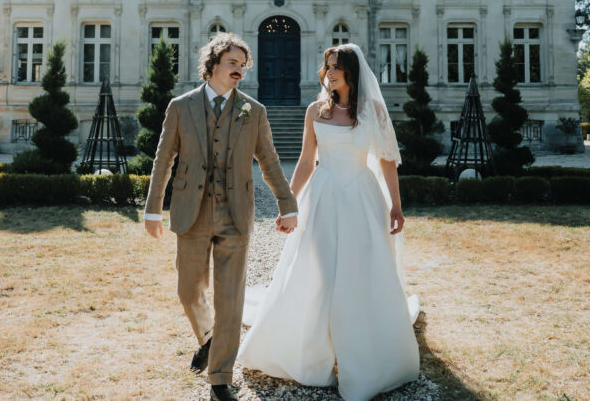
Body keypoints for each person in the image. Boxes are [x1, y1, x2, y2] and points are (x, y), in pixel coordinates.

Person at [238, 43, 420, 401]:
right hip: (322, 198)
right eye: (327, 66)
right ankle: (314, 356)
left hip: (363, 200)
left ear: (351, 72)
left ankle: (364, 355)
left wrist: (396, 207)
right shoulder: (314, 111)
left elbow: (386, 162)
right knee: (321, 272)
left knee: (361, 272)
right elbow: (306, 162)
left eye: (336, 66)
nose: (330, 72)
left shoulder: (374, 112)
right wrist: (287, 203)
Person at [143, 33, 299, 401]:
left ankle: (220, 379)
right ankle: (209, 337)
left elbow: (270, 161)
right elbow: (163, 159)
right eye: (233, 63)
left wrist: (287, 204)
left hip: (235, 214)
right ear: (212, 64)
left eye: (243, 65)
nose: (240, 71)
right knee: (188, 291)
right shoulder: (180, 107)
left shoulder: (253, 111)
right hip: (191, 214)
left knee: (231, 299)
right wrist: (152, 208)